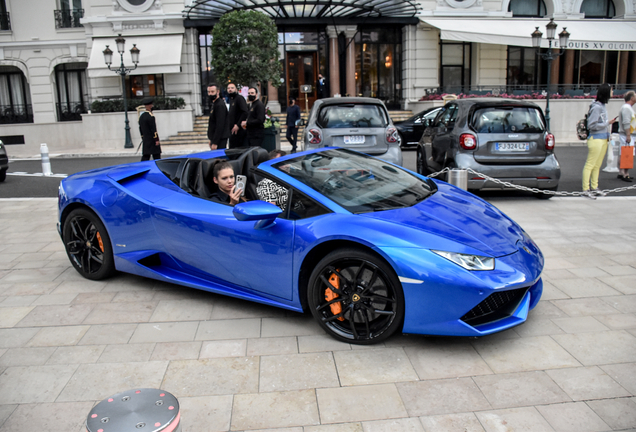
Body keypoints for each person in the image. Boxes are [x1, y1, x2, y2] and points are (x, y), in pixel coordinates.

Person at [582, 83, 617, 199]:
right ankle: (586, 189)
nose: (613, 93)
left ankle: (594, 187)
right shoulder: (597, 107)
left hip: (602, 138)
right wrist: (608, 123)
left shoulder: (601, 106)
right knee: (590, 164)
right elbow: (592, 125)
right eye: (611, 91)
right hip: (596, 138)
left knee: (597, 165)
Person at [618, 90, 636, 182]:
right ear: (632, 98)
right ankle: (625, 173)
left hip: (626, 135)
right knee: (627, 154)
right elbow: (626, 122)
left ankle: (621, 172)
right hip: (626, 135)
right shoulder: (627, 108)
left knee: (623, 153)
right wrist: (628, 135)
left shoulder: (627, 107)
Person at [207, 84, 229, 150]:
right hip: (215, 138)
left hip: (220, 139)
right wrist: (212, 140)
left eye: (212, 91)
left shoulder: (220, 105)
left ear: (217, 92)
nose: (210, 94)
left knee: (219, 159)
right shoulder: (214, 104)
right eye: (209, 92)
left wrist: (215, 142)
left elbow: (220, 125)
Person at [226, 83, 248, 149]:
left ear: (236, 89)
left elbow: (245, 112)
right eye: (228, 88)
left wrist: (238, 125)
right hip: (231, 130)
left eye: (232, 88)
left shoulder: (239, 98)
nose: (230, 90)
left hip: (238, 131)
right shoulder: (231, 100)